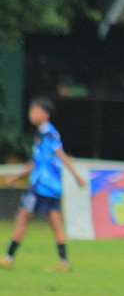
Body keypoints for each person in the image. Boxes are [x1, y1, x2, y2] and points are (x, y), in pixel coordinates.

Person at [1, 97, 86, 272]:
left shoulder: (48, 133)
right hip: (53, 186)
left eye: (36, 111)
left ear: (45, 114)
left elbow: (61, 155)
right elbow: (38, 162)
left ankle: (8, 257)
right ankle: (64, 262)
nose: (32, 114)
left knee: (22, 216)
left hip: (42, 185)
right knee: (55, 222)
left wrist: (76, 175)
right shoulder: (43, 133)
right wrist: (17, 175)